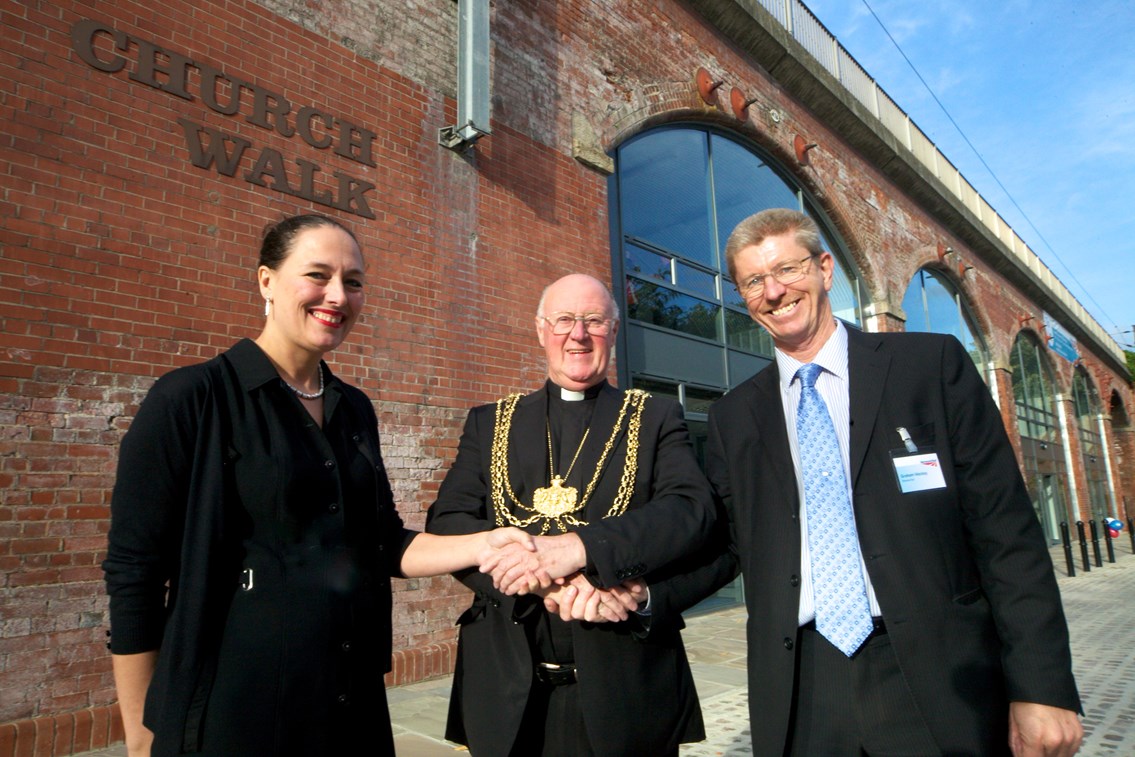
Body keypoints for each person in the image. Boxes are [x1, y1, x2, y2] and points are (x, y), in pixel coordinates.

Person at [103, 214, 536, 757]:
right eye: (317, 275)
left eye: (353, 281)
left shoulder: (353, 409)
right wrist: (143, 735)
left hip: (347, 705)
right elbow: (134, 572)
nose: (337, 295)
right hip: (231, 714)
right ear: (266, 281)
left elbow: (380, 542)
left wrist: (484, 543)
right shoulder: (193, 399)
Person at [658, 208, 1082, 755]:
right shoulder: (734, 416)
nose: (774, 291)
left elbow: (1007, 535)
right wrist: (643, 593)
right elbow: (725, 543)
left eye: (787, 269)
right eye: (754, 281)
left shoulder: (930, 368)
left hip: (935, 677)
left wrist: (1041, 687)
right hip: (802, 685)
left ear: (825, 269)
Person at [424, 273, 716, 756]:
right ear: (541, 330)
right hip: (505, 691)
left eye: (593, 320)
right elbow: (448, 521)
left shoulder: (655, 417)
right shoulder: (490, 422)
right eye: (563, 320)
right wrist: (542, 580)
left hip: (626, 689)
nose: (577, 334)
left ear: (614, 331)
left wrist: (584, 551)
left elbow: (691, 511)